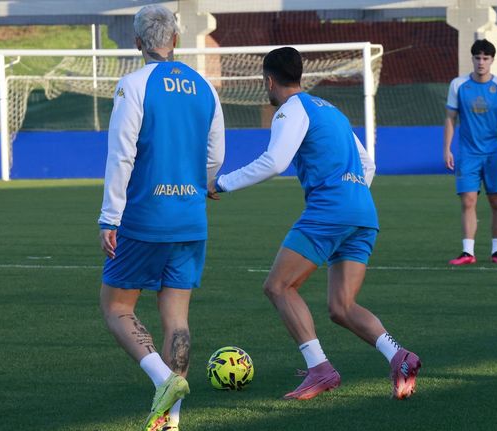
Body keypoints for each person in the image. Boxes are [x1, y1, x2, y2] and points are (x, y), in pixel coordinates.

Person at [207, 47, 421, 401]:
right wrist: (350, 198)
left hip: (331, 210)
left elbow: (275, 161)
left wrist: (222, 182)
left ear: (269, 80)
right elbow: (367, 164)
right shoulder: (331, 110)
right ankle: (399, 355)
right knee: (341, 307)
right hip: (363, 211)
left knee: (278, 286)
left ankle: (320, 369)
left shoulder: (290, 110)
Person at [97, 5, 225, 431]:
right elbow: (216, 156)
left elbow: (122, 153)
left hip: (146, 217)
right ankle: (171, 420)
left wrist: (109, 216)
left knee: (116, 306)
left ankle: (163, 378)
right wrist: (200, 184)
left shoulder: (134, 84)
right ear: (175, 40)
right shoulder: (204, 87)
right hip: (192, 217)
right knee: (177, 318)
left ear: (138, 43)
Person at [443, 39, 497, 265]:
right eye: (477, 58)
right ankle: (468, 252)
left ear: (492, 60)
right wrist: (447, 148)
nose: (481, 62)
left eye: (486, 58)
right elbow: (450, 118)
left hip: (494, 153)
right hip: (468, 154)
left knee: (496, 202)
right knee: (468, 201)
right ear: (472, 59)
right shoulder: (458, 84)